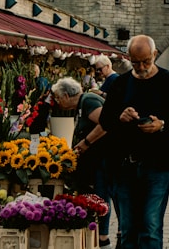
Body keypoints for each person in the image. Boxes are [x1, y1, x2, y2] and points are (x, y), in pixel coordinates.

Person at [99, 35, 169, 249]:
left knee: (151, 227)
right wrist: (120, 117)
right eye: (135, 61)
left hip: (157, 166)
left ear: (155, 55)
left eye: (145, 61)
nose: (140, 66)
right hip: (124, 166)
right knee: (128, 228)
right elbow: (105, 121)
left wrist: (162, 125)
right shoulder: (120, 84)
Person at [58, 77, 115, 247]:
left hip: (103, 157)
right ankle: (100, 236)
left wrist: (85, 143)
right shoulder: (83, 104)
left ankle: (103, 237)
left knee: (102, 195)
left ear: (67, 96)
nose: (57, 101)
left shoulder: (88, 100)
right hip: (97, 158)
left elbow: (105, 123)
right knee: (100, 194)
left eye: (58, 97)